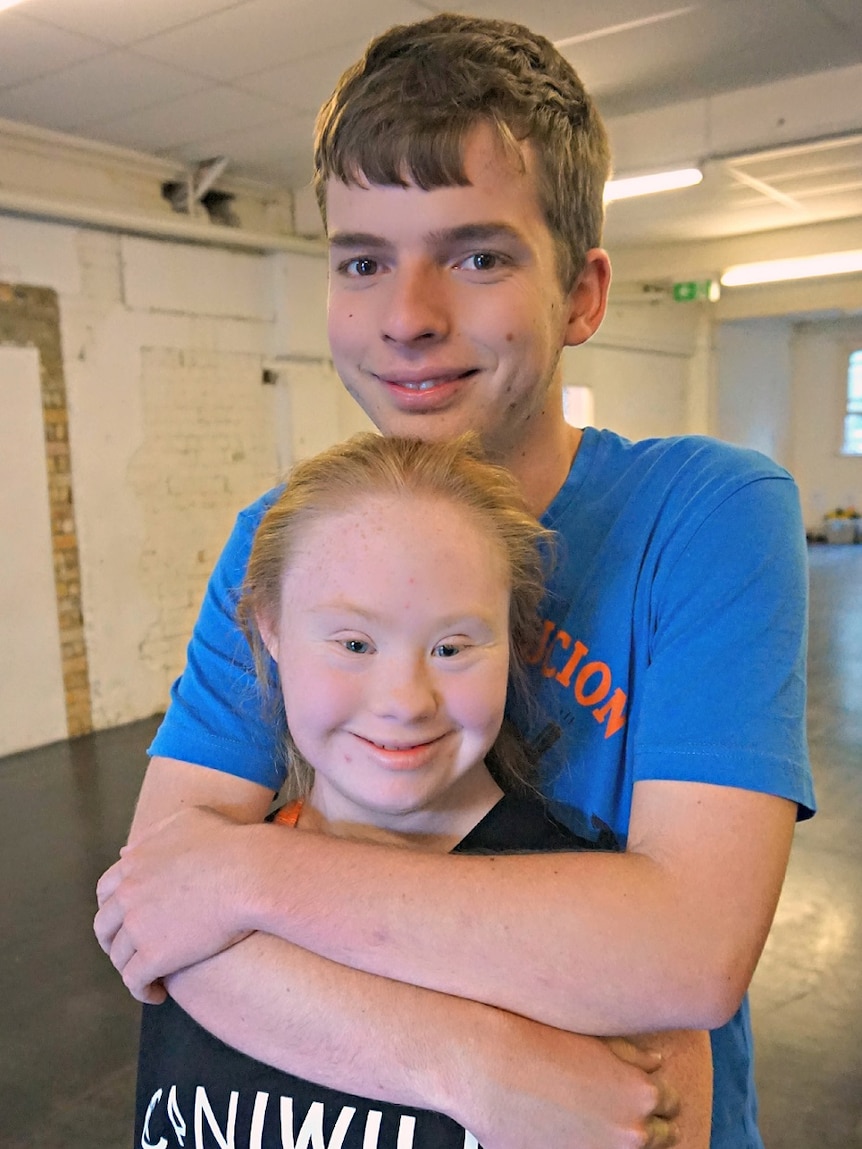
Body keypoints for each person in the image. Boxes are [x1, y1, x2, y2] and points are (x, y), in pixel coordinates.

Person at [94, 13, 815, 1149]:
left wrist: (243, 876)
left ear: (580, 296)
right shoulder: (277, 540)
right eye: (364, 261)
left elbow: (686, 949)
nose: (409, 317)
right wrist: (470, 1063)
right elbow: (156, 915)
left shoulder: (702, 514)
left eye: (477, 256)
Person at [133, 431, 711, 1149]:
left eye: (451, 646)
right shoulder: (183, 899)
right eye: (354, 643)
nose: (405, 700)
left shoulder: (615, 959)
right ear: (269, 630)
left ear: (512, 638)